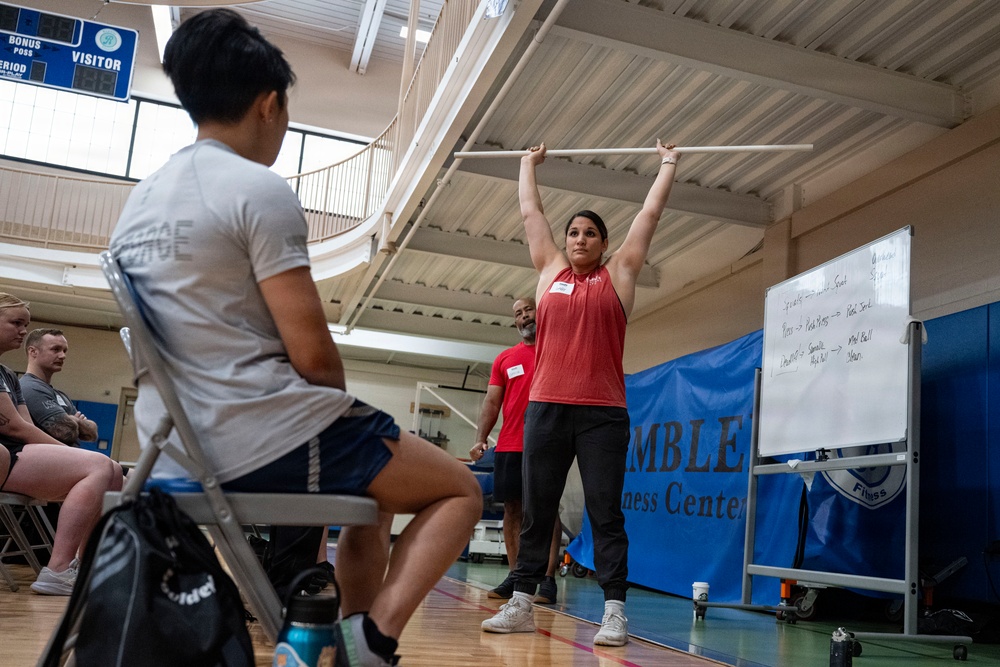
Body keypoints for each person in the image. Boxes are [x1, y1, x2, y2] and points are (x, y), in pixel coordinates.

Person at [107, 10, 480, 667]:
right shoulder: (257, 189)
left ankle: (358, 638)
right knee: (459, 488)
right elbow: (315, 361)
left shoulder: (141, 201)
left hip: (168, 445)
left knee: (377, 492)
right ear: (270, 103)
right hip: (253, 437)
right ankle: (372, 638)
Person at [481, 140, 681, 646]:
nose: (579, 238)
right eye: (573, 231)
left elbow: (650, 214)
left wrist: (668, 164)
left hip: (603, 414)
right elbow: (531, 211)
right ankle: (522, 601)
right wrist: (527, 165)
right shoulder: (549, 273)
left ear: (604, 243)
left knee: (604, 510)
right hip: (547, 410)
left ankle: (614, 611)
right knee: (535, 508)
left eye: (590, 233)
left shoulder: (620, 276)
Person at [0, 293, 124, 595]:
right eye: (16, 323)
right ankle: (58, 568)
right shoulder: (29, 384)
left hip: (15, 453)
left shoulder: (8, 375)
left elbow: (26, 426)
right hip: (7, 455)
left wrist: (70, 443)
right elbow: (16, 427)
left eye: (25, 324)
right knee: (97, 465)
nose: (21, 329)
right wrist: (68, 448)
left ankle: (82, 564)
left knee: (111, 469)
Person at [469, 297, 562, 604]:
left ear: (542, 312)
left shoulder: (558, 351)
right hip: (510, 444)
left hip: (547, 443)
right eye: (519, 314)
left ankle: (547, 580)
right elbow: (492, 402)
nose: (524, 317)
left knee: (545, 509)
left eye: (529, 310)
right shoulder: (505, 359)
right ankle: (517, 576)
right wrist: (481, 438)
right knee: (512, 509)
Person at [20, 328, 98, 446]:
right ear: (33, 352)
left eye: (64, 351)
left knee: (113, 464)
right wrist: (76, 420)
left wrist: (69, 419)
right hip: (46, 457)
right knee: (103, 462)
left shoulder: (60, 394)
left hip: (69, 456)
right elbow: (65, 431)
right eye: (55, 349)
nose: (62, 356)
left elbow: (92, 434)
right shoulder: (29, 388)